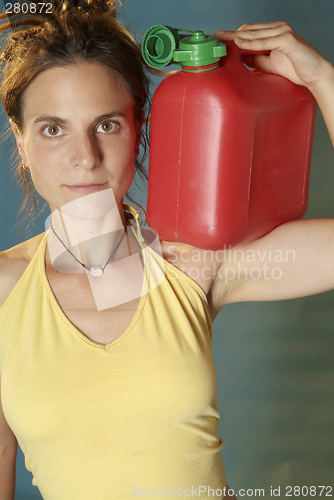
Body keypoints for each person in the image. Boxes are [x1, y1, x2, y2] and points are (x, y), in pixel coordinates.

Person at [0, 0, 333, 498]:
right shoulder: (5, 289)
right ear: (21, 142)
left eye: (107, 124)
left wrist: (321, 77)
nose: (84, 157)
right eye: (53, 129)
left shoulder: (193, 263)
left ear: (140, 130)